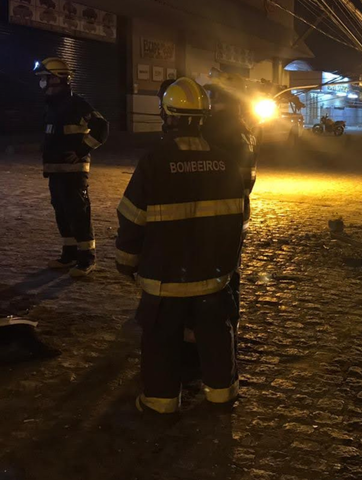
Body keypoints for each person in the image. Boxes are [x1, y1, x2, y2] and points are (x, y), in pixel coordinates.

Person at [115, 77, 245, 414]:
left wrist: (126, 262)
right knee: (216, 334)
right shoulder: (227, 162)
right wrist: (228, 265)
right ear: (203, 118)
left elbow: (132, 218)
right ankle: (222, 393)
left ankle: (160, 402)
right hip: (213, 277)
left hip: (165, 276)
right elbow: (239, 220)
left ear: (167, 116)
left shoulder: (154, 162)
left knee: (161, 339)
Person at [34, 57, 109, 276]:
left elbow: (101, 127)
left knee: (78, 213)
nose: (43, 83)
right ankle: (69, 254)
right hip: (56, 171)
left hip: (74, 173)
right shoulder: (51, 107)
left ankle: (86, 259)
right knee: (62, 212)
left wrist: (81, 151)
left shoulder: (77, 104)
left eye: (46, 78)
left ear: (58, 79)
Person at [201, 69, 257, 330]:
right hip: (239, 210)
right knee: (231, 267)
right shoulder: (244, 129)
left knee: (211, 268)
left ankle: (212, 322)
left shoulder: (215, 128)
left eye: (214, 95)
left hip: (216, 213)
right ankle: (230, 316)